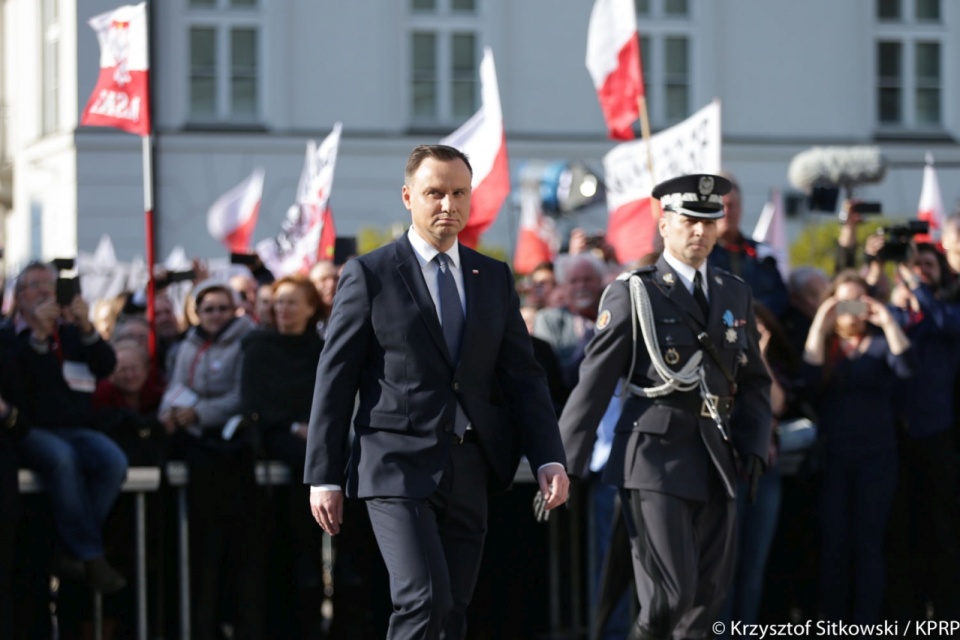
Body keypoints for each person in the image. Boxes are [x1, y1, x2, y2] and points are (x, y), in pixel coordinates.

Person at [304, 144, 569, 640]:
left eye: (459, 193)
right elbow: (334, 378)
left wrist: (549, 457)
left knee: (452, 612)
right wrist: (324, 475)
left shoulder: (491, 276)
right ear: (408, 197)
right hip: (395, 465)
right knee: (423, 601)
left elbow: (522, 375)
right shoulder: (370, 274)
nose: (449, 205)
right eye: (435, 193)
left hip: (469, 465)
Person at [559, 174, 772, 640]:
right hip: (652, 458)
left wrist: (755, 443)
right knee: (667, 597)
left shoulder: (734, 292)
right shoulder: (634, 290)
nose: (700, 231)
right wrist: (563, 463)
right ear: (664, 224)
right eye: (689, 220)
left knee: (705, 602)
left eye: (709, 221)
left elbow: (754, 380)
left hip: (717, 457)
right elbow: (593, 384)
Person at [1, 261, 129, 594]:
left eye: (51, 285)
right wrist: (39, 339)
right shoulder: (8, 336)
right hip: (29, 430)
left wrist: (88, 328)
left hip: (75, 427)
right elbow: (17, 388)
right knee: (61, 457)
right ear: (18, 295)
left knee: (113, 461)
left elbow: (106, 366)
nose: (45, 292)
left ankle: (69, 548)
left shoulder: (71, 334)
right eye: (35, 285)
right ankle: (90, 555)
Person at [802, 270, 913, 624]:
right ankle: (834, 621)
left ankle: (867, 623)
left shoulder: (881, 342)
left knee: (869, 543)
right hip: (835, 457)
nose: (852, 310)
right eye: (845, 301)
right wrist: (822, 321)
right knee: (834, 543)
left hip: (877, 457)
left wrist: (888, 320)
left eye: (859, 301)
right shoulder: (828, 346)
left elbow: (908, 372)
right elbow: (807, 382)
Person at [158, 279, 260, 639]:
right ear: (196, 313)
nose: (214, 315)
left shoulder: (250, 341)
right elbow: (174, 385)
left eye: (221, 308)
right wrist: (171, 413)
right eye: (207, 309)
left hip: (232, 457)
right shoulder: (188, 343)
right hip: (196, 452)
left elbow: (244, 395)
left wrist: (200, 413)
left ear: (234, 309)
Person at [240, 275, 326, 638]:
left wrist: (317, 425)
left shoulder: (322, 348)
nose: (284, 310)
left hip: (318, 439)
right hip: (277, 440)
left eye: (292, 302)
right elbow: (254, 403)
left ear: (310, 308)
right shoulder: (258, 346)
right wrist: (293, 427)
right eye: (279, 303)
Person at [709, 173, 789, 318]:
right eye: (720, 206)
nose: (726, 212)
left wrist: (759, 317)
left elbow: (780, 298)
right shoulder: (701, 256)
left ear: (741, 208)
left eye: (731, 205)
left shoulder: (763, 254)